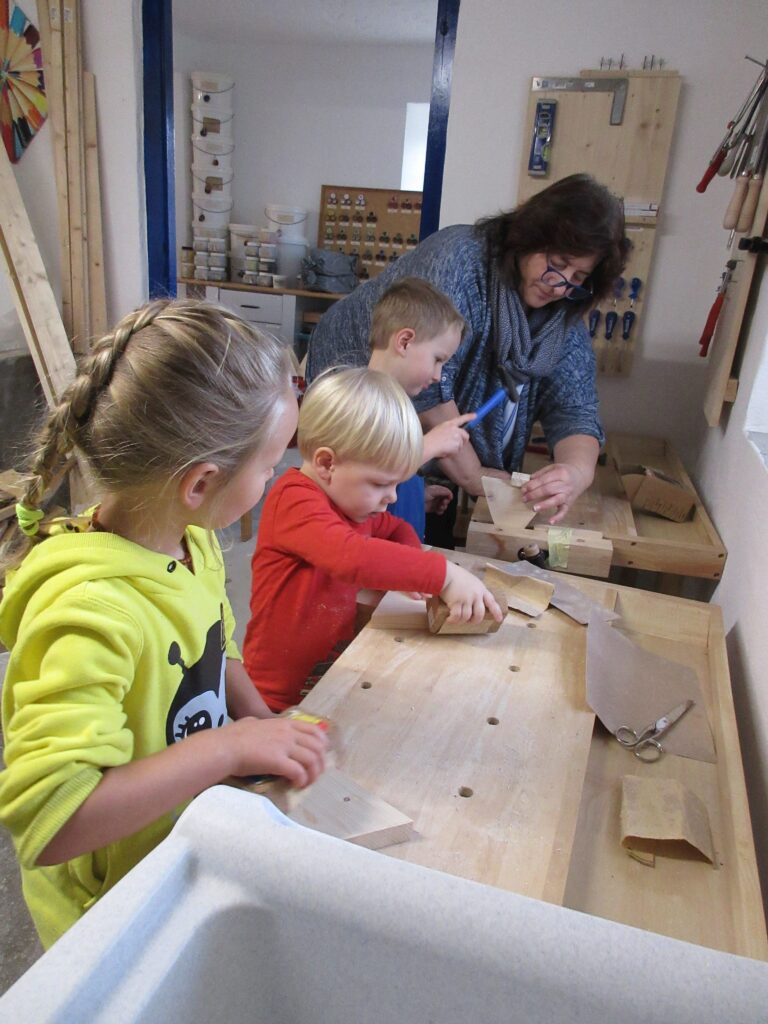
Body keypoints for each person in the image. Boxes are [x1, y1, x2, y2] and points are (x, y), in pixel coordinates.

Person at [0, 299, 328, 948]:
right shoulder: (92, 611)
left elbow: (216, 639)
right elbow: (54, 820)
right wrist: (226, 748)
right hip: (109, 917)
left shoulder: (190, 540)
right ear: (201, 483)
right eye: (269, 466)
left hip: (173, 853)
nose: (273, 479)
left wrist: (261, 719)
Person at [307, 173, 630, 525]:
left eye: (579, 277)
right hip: (357, 398)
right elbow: (431, 397)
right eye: (558, 263)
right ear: (530, 235)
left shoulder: (562, 318)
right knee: (354, 514)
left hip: (411, 453)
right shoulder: (460, 259)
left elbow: (576, 410)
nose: (560, 285)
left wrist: (575, 473)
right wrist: (478, 479)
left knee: (407, 519)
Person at [243, 367, 502, 712]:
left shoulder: (353, 506)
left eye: (397, 484)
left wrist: (412, 569)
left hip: (329, 677)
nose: (392, 497)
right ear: (326, 463)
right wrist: (444, 575)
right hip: (276, 696)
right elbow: (350, 557)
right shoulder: (294, 500)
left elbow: (394, 529)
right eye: (381, 484)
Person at [367, 277, 476, 539]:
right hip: (376, 564)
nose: (439, 375)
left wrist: (415, 497)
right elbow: (369, 471)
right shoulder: (363, 403)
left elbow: (385, 480)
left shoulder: (398, 404)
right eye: (438, 359)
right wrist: (430, 445)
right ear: (404, 341)